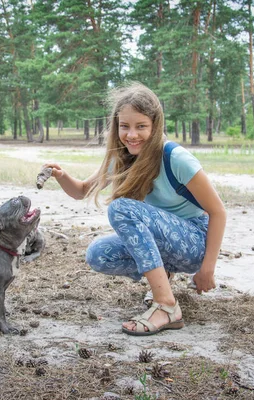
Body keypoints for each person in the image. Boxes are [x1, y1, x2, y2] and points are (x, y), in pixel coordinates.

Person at [43, 82, 226, 336]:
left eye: (141, 126)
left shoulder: (175, 157)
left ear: (155, 125)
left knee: (121, 209)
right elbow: (82, 190)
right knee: (98, 254)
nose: (132, 135)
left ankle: (166, 305)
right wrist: (61, 175)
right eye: (124, 126)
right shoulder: (122, 158)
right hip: (166, 243)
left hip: (194, 242)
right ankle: (165, 278)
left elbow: (218, 212)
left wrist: (207, 269)